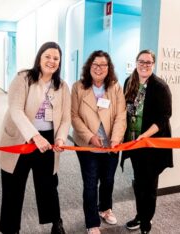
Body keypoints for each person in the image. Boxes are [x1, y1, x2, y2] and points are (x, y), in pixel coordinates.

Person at [0, 42, 71, 234]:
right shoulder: (24, 78)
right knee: (13, 187)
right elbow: (16, 110)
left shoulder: (62, 86)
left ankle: (56, 222)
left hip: (48, 140)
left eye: (56, 58)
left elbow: (65, 118)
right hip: (21, 138)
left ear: (60, 62)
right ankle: (10, 229)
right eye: (47, 56)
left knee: (49, 185)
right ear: (39, 57)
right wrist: (34, 136)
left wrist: (61, 139)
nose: (51, 61)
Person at [71, 50, 126, 234]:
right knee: (90, 182)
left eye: (103, 65)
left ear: (108, 68)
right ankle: (92, 222)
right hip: (87, 145)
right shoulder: (78, 87)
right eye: (95, 64)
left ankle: (105, 209)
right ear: (89, 66)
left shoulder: (115, 87)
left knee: (108, 180)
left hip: (111, 144)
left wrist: (116, 138)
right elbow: (74, 116)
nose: (99, 68)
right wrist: (90, 137)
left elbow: (121, 115)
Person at [122, 50, 173, 234]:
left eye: (148, 62)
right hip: (134, 143)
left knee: (149, 185)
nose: (144, 65)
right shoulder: (130, 82)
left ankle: (146, 223)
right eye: (141, 61)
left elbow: (164, 117)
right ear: (136, 62)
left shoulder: (160, 87)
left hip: (152, 145)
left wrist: (145, 135)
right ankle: (139, 215)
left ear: (153, 64)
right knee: (138, 182)